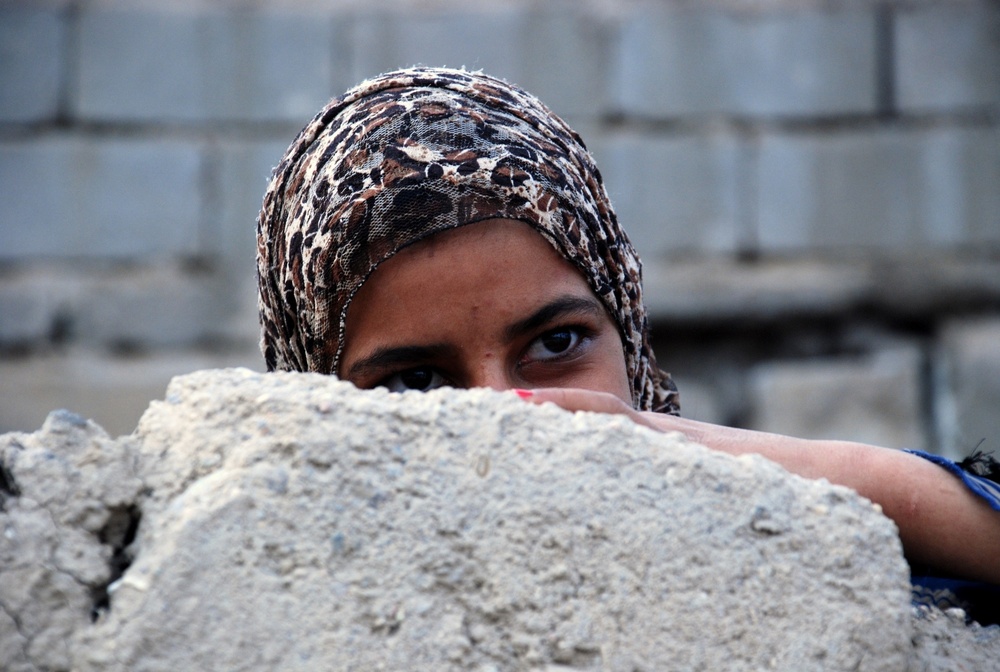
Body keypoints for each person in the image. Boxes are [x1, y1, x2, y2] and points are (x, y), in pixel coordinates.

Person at [257, 67, 1000, 621]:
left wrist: (670, 448)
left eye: (556, 345)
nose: (506, 419)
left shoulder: (777, 581)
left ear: (627, 332)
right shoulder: (251, 615)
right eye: (413, 386)